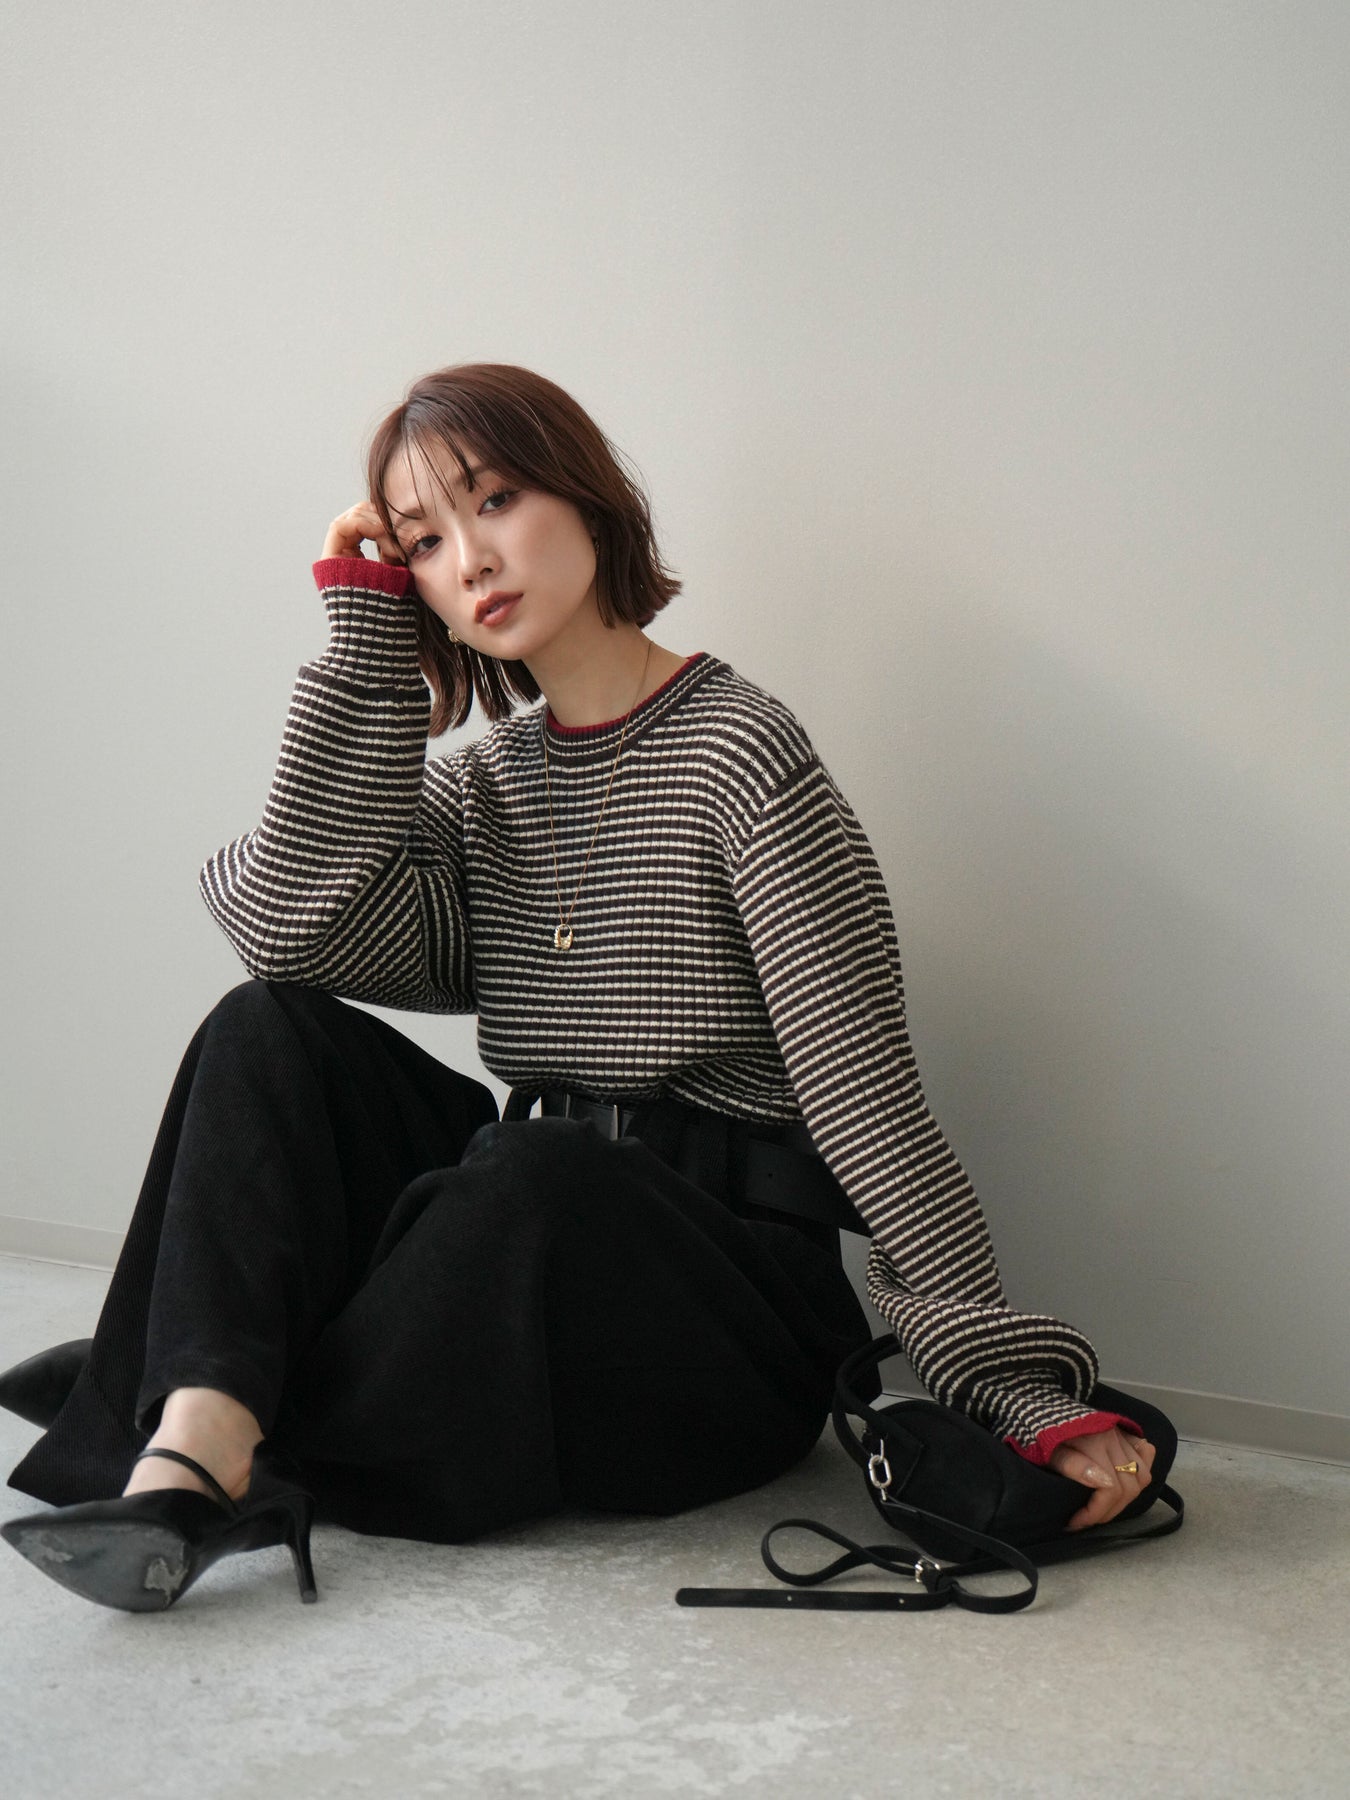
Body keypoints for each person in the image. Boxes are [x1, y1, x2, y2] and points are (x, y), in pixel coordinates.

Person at [1, 362, 1156, 1612]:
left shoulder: (742, 756)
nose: (470, 560)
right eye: (423, 542)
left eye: (495, 500)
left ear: (588, 497)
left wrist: (1006, 1384)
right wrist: (364, 642)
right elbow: (283, 927)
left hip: (714, 1314)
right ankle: (201, 1434)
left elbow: (868, 1101)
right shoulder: (486, 786)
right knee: (267, 1029)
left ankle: (174, 1373)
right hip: (511, 1255)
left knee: (534, 1170)